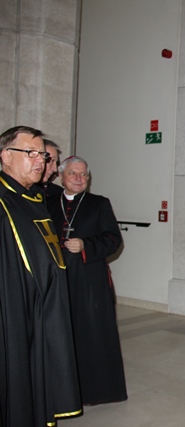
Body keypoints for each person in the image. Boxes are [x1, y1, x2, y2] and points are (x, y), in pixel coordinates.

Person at [0, 126, 81, 426]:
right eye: (30, 153)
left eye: (43, 155)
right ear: (6, 156)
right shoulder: (3, 201)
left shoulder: (33, 199)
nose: (40, 161)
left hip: (41, 309)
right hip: (13, 312)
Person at [47, 156, 128, 405]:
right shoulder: (48, 203)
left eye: (83, 174)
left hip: (90, 279)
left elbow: (114, 239)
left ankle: (98, 390)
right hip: (57, 278)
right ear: (61, 177)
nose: (79, 178)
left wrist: (85, 245)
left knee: (92, 333)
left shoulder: (99, 203)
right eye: (73, 173)